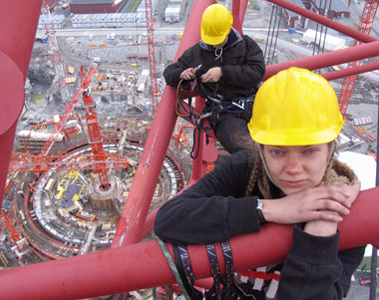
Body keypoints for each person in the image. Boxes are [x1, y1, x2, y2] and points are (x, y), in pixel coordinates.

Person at [154, 67, 366, 300]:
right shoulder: (244, 170)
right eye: (278, 152)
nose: (294, 169)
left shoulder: (349, 214)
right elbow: (169, 219)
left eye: (309, 151)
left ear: (329, 150)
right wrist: (269, 209)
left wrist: (320, 231)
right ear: (262, 151)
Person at [164, 3, 266, 154]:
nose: (214, 43)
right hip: (225, 111)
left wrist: (223, 73)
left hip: (253, 102)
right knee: (248, 153)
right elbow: (169, 73)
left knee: (282, 137)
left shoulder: (246, 45)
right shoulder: (197, 53)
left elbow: (257, 71)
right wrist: (181, 74)